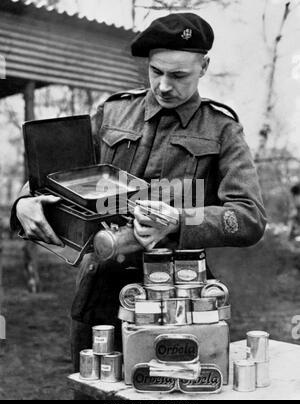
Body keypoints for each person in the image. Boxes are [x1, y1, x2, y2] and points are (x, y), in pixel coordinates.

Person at [11, 13, 267, 375]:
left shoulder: (222, 128)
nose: (163, 86)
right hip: (99, 291)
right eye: (155, 71)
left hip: (179, 295)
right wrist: (23, 202)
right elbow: (62, 176)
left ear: (204, 66)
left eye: (178, 75)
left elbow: (249, 216)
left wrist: (179, 221)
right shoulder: (113, 112)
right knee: (95, 386)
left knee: (171, 389)